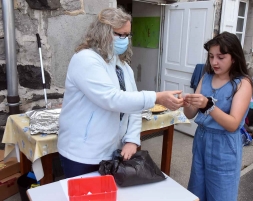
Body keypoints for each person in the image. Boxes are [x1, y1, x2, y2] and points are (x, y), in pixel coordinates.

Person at [57, 7, 183, 178]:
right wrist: (156, 97)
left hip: (111, 150)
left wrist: (131, 140)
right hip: (83, 152)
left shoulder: (122, 66)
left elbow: (134, 107)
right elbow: (112, 99)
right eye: (119, 34)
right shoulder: (85, 59)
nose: (124, 40)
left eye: (127, 35)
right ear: (103, 32)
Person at [183, 32, 253, 201]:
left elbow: (233, 124)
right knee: (196, 192)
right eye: (211, 56)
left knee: (221, 194)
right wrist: (187, 103)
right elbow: (191, 114)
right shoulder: (206, 77)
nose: (214, 62)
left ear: (234, 58)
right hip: (201, 139)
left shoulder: (242, 84)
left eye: (221, 57)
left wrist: (208, 105)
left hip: (224, 145)